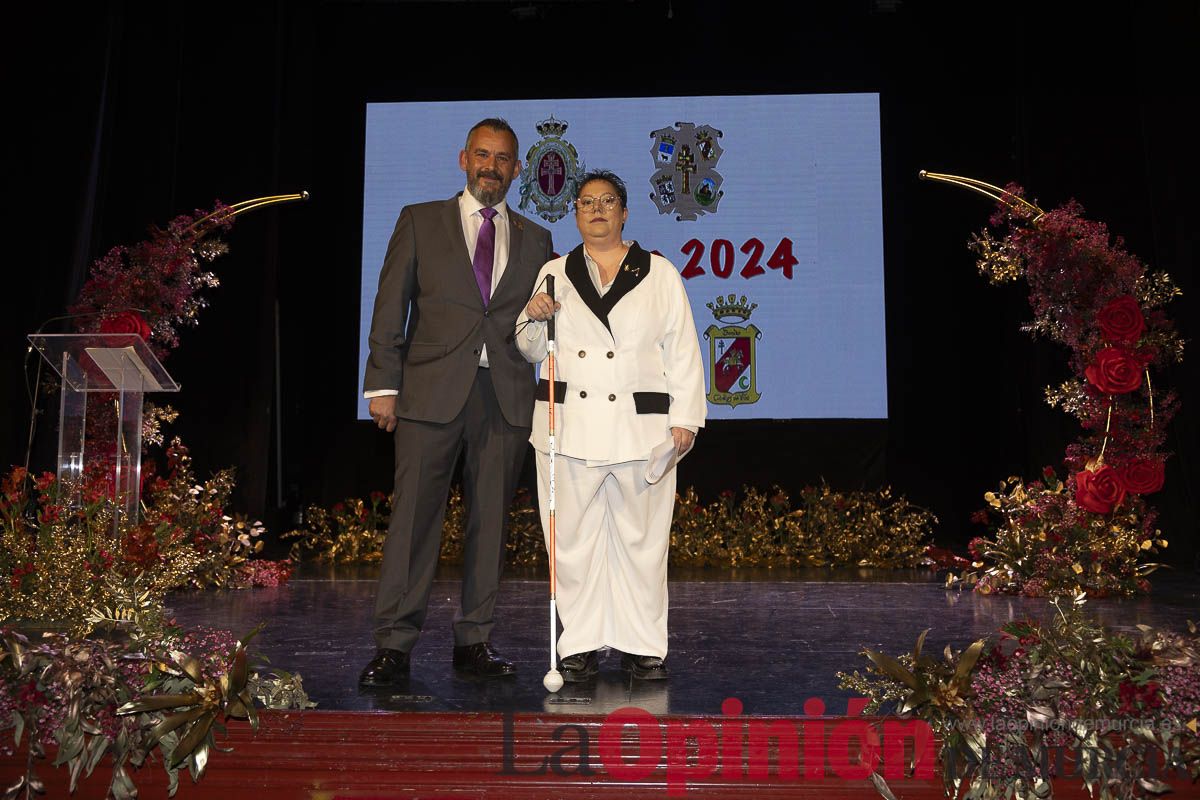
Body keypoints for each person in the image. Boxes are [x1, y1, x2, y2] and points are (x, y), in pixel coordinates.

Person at [359, 118, 554, 685]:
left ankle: (475, 641)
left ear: (517, 170)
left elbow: (542, 320)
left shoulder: (539, 239)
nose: (491, 166)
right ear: (464, 158)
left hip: (506, 397)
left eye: (503, 159)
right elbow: (389, 304)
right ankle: (394, 646)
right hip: (427, 394)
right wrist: (383, 386)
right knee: (415, 521)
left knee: (490, 524)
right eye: (483, 155)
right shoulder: (419, 221)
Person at [516, 169, 705, 682]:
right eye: (585, 202)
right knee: (571, 543)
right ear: (574, 213)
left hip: (639, 428)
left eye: (607, 201)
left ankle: (644, 646)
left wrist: (686, 418)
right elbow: (530, 347)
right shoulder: (554, 271)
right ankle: (578, 644)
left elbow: (683, 349)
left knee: (642, 541)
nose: (596, 210)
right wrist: (533, 316)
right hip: (568, 426)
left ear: (624, 211)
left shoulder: (660, 273)